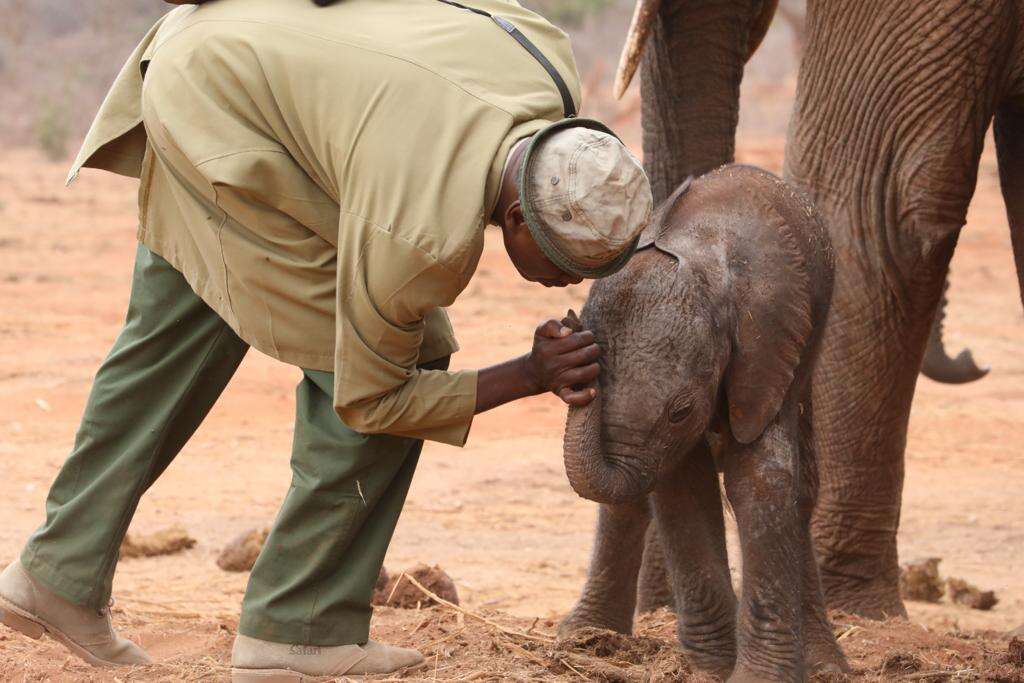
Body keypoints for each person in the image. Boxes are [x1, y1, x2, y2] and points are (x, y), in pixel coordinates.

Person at [0, 0, 653, 680]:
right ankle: (299, 626)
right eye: (564, 266)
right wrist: (528, 372)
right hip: (228, 125)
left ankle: (57, 573)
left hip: (224, 46)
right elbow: (374, 398)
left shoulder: (546, 63)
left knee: (183, 325)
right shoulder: (419, 239)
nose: (564, 285)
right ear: (515, 219)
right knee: (408, 352)